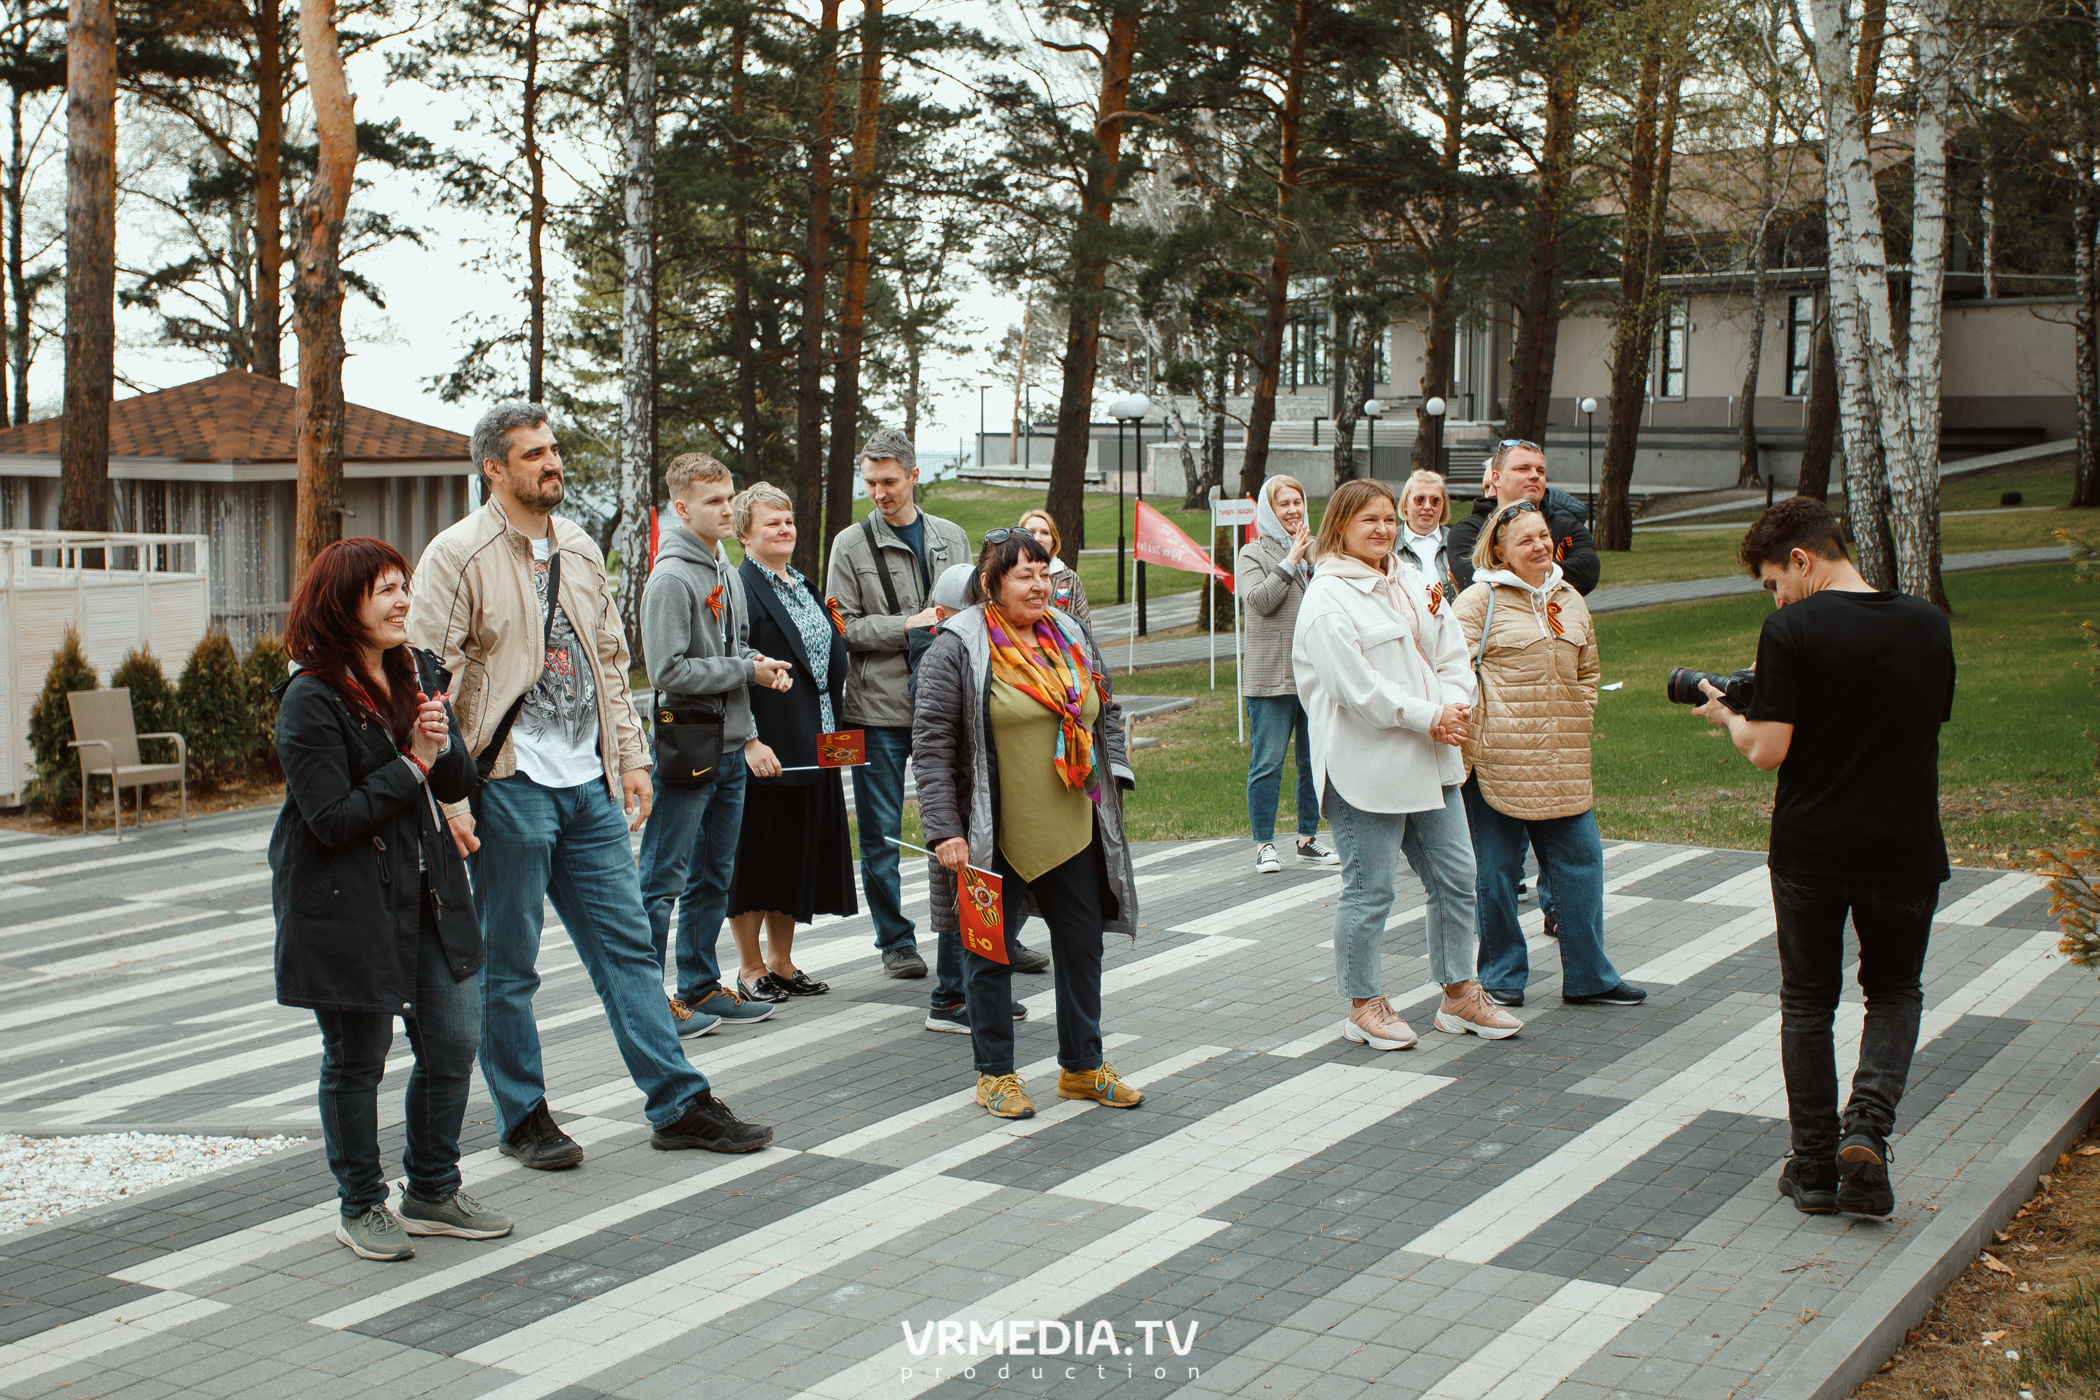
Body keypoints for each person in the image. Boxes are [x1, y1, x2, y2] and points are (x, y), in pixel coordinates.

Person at [409, 401, 773, 1169]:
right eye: (533, 454)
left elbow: (611, 662)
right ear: (494, 469)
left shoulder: (574, 545)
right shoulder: (457, 556)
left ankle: (677, 1102)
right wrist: (447, 795)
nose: (552, 463)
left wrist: (632, 758)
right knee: (511, 968)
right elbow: (425, 685)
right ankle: (524, 1115)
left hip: (590, 787)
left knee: (630, 951)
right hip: (508, 787)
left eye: (553, 450)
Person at [1693, 498, 1955, 1218]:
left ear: (1802, 561)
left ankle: (1812, 1168)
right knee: (1895, 992)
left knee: (1809, 1000)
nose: (1776, 596)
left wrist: (1729, 715)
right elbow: (1915, 722)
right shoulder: (1928, 623)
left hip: (1812, 848)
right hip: (1904, 845)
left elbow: (1769, 749)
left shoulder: (1792, 629)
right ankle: (1866, 1129)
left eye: (1775, 581)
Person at [272, 537, 512, 1261]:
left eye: (404, 585)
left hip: (430, 891)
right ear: (341, 603)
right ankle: (361, 1204)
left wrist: (438, 742)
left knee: (454, 1042)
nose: (403, 599)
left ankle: (432, 1188)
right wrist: (412, 760)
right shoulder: (311, 698)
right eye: (384, 589)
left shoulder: (418, 671)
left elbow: (454, 783)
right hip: (347, 905)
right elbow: (332, 818)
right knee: (357, 1060)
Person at [913, 529, 1144, 1120]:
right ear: (990, 585)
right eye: (1023, 575)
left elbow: (1106, 708)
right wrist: (944, 830)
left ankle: (1082, 1067)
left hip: (1072, 824)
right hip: (991, 836)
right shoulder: (956, 647)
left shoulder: (1069, 633)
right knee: (987, 954)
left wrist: (1112, 770)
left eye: (1043, 572)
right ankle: (995, 1075)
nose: (1039, 585)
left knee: (1081, 947)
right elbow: (933, 746)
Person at [1293, 481, 1520, 1051]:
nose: (1382, 529)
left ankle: (1459, 993)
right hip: (1366, 767)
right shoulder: (1326, 600)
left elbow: (1450, 649)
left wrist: (1453, 705)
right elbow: (1357, 691)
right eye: (1368, 520)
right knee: (1369, 891)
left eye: (1388, 519)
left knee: (1457, 877)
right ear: (1339, 525)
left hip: (1432, 758)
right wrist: (1430, 714)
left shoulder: (1416, 581)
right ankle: (1363, 1002)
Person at [1456, 499, 1646, 1011]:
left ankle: (1589, 976)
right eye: (1526, 540)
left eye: (1543, 535)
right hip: (1499, 759)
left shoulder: (1569, 598)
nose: (1540, 545)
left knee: (1582, 865)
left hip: (1564, 757)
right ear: (1499, 550)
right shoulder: (1479, 601)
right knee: (1495, 873)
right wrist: (1483, 730)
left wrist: (1578, 715)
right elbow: (1452, 674)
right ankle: (1501, 977)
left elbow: (1588, 672)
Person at [635, 453, 792, 1033]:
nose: (727, 510)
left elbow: (738, 644)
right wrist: (743, 672)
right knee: (661, 880)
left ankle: (699, 988)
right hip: (687, 749)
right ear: (681, 508)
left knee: (713, 876)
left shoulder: (723, 566)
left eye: (729, 499)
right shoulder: (672, 578)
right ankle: (649, 1004)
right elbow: (669, 673)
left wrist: (758, 664)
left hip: (729, 748)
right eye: (713, 502)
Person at [826, 427, 972, 979]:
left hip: (947, 706)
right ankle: (894, 941)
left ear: (914, 475)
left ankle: (972, 935)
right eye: (870, 483)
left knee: (962, 826)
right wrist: (910, 625)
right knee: (882, 833)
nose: (879, 492)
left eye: (889, 481)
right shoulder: (849, 543)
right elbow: (842, 626)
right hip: (878, 711)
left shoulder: (952, 536)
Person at [727, 482, 854, 1001]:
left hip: (820, 736)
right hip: (769, 741)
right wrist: (749, 739)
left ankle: (781, 961)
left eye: (788, 521)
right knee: (760, 850)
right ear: (744, 535)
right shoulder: (740, 588)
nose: (784, 530)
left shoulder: (802, 583)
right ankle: (750, 967)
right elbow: (732, 665)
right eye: (771, 523)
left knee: (798, 848)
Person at [1236, 474, 1340, 875]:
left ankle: (1307, 838)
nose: (1294, 510)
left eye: (1298, 502)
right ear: (1269, 510)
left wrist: (1314, 562)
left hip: (1314, 676)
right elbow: (1259, 600)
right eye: (1284, 504)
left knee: (1313, 761)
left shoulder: (1318, 554)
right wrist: (1291, 560)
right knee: (1268, 762)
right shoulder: (1253, 553)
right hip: (1271, 677)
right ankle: (1264, 844)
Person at [1447, 440, 1600, 595]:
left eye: (1540, 471)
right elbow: (1476, 583)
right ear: (1496, 478)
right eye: (1523, 469)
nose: (1534, 476)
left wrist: (1509, 572)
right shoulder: (1468, 531)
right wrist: (1549, 573)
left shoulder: (1569, 529)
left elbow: (1587, 573)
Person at [1019, 508, 1091, 624]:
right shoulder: (1008, 576)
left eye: (1045, 532)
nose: (1038, 538)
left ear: (1053, 541)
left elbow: (1085, 629)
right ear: (1018, 539)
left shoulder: (1070, 579)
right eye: (1031, 532)